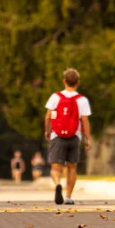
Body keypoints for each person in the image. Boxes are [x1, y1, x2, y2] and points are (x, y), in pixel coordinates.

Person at [45, 68, 91, 205]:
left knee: (55, 167)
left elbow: (48, 116)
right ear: (77, 83)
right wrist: (88, 138)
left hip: (57, 135)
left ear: (64, 81)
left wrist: (48, 131)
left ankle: (58, 183)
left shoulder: (55, 97)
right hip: (74, 136)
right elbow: (84, 120)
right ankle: (69, 196)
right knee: (72, 167)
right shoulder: (82, 100)